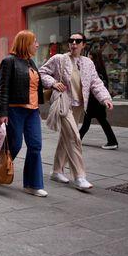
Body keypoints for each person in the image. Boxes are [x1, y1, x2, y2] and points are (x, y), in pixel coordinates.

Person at [40, 32, 113, 190]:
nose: (74, 43)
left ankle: (56, 171)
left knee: (65, 138)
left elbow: (96, 82)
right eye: (71, 40)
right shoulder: (59, 59)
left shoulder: (87, 63)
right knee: (74, 137)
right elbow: (42, 73)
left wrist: (105, 98)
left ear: (83, 45)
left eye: (77, 41)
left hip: (80, 106)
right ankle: (79, 176)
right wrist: (53, 82)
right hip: (63, 103)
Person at [0, 30, 47, 197]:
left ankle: (32, 185)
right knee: (16, 144)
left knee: (35, 146)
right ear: (25, 44)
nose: (37, 45)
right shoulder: (9, 61)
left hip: (33, 111)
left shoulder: (31, 62)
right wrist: (2, 112)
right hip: (14, 109)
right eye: (35, 42)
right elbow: (3, 89)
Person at [79, 50, 118, 150]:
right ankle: (112, 141)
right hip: (98, 102)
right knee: (99, 122)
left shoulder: (95, 70)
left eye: (89, 56)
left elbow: (95, 86)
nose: (87, 58)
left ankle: (76, 140)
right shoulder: (100, 69)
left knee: (87, 122)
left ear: (92, 57)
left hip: (94, 102)